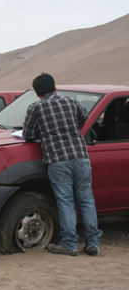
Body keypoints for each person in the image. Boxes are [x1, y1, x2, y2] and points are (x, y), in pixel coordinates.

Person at [22, 73, 102, 256]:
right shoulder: (71, 102)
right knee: (87, 200)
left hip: (57, 160)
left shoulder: (35, 108)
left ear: (36, 93)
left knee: (66, 202)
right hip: (81, 157)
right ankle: (92, 244)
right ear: (55, 87)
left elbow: (27, 134)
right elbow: (84, 118)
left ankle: (69, 244)